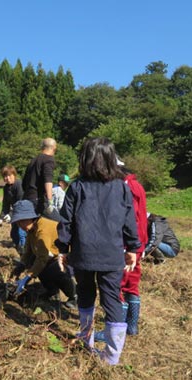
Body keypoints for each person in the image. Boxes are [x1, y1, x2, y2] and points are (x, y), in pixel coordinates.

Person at [57, 137, 140, 365]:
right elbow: (129, 220)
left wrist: (63, 249)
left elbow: (66, 222)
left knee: (85, 293)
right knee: (111, 298)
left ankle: (86, 339)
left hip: (83, 254)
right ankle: (112, 356)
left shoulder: (76, 187)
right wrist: (133, 247)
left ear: (85, 159)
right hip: (111, 255)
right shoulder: (121, 188)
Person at [95, 156, 147, 340]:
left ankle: (119, 330)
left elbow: (127, 218)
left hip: (126, 244)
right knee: (132, 284)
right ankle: (132, 327)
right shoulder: (137, 185)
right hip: (138, 242)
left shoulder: (125, 187)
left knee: (119, 284)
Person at [10, 200, 77, 309]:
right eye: (18, 222)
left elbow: (43, 258)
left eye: (22, 221)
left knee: (54, 268)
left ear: (31, 217)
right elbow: (28, 251)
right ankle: (52, 291)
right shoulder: (32, 229)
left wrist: (27, 277)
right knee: (34, 262)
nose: (20, 225)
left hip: (67, 257)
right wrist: (21, 266)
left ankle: (74, 295)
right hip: (51, 256)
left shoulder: (42, 231)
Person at [21, 137, 60, 219]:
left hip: (28, 198)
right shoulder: (48, 159)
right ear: (54, 148)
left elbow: (24, 182)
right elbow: (48, 180)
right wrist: (50, 201)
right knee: (61, 224)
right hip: (39, 200)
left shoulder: (33, 161)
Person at [0, 165, 27, 254]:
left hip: (24, 211)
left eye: (9, 175)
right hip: (16, 212)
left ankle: (24, 251)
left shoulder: (19, 185)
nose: (7, 178)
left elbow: (20, 202)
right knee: (14, 233)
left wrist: (10, 214)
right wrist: (1, 217)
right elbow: (5, 204)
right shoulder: (6, 188)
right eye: (5, 176)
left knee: (21, 233)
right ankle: (18, 249)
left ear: (14, 175)